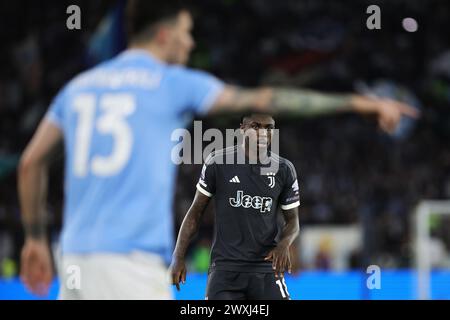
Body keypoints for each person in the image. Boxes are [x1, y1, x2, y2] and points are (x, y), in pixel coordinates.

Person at [18, 0, 418, 299]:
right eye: (186, 31)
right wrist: (357, 103)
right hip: (130, 266)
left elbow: (31, 163)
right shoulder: (171, 82)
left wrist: (34, 238)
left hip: (74, 261)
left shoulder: (79, 87)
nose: (191, 42)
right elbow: (269, 99)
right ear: (163, 34)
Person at [171, 113, 299, 300]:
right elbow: (195, 213)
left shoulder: (284, 169)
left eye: (268, 128)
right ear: (242, 130)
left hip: (265, 267)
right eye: (255, 126)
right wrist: (178, 257)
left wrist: (284, 244)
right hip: (224, 269)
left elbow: (293, 221)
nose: (262, 133)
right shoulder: (218, 162)